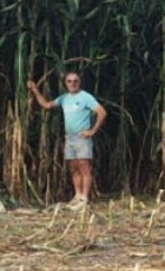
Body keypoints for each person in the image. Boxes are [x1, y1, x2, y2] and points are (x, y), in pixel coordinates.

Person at [27, 73, 107, 208]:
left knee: (84, 167)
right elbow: (47, 105)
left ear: (79, 82)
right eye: (69, 81)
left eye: (75, 81)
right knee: (73, 167)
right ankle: (77, 196)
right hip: (69, 138)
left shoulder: (86, 97)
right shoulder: (64, 98)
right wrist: (35, 90)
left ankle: (84, 198)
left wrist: (92, 131)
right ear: (65, 83)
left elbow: (102, 112)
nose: (72, 83)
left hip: (82, 137)